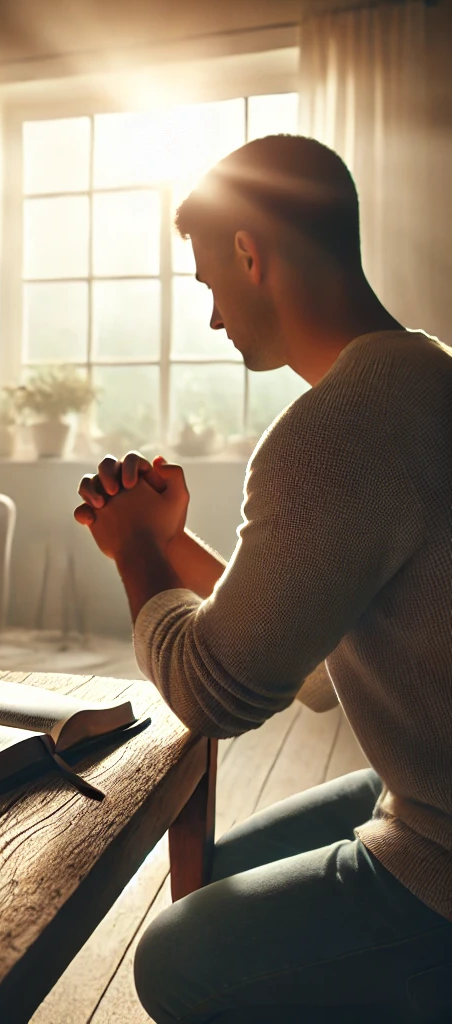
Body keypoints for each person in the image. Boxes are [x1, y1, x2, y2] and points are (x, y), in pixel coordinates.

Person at [74, 135, 452, 1023]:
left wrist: (135, 548)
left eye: (209, 283)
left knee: (175, 960)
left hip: (442, 845)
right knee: (224, 878)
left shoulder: (337, 429)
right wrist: (172, 543)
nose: (213, 318)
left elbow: (213, 691)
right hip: (425, 788)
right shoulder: (424, 373)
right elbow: (314, 668)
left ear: (250, 254)